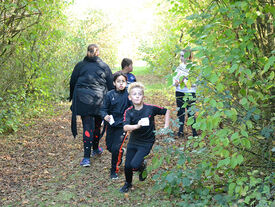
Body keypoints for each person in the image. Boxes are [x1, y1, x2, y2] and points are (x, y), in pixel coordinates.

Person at [119, 82, 170, 193]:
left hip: (147, 141)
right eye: (134, 94)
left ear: (143, 96)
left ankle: (141, 167)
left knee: (134, 164)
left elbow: (166, 111)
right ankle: (128, 183)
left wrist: (166, 126)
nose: (137, 96)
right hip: (134, 140)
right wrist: (137, 126)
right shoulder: (129, 112)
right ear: (130, 97)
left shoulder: (150, 109)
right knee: (127, 165)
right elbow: (125, 127)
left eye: (139, 94)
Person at [69, 44, 114, 167]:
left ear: (87, 52)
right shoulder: (104, 66)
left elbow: (72, 82)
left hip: (83, 100)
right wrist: (112, 101)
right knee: (97, 125)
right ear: (98, 53)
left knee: (87, 126)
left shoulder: (80, 65)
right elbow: (111, 85)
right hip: (99, 99)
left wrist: (71, 96)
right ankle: (95, 149)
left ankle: (86, 158)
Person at [100, 71, 132, 179]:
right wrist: (105, 116)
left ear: (126, 83)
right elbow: (103, 109)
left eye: (123, 81)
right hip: (111, 125)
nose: (121, 83)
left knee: (115, 148)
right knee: (109, 147)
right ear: (114, 83)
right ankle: (121, 151)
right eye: (118, 81)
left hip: (122, 126)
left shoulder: (129, 96)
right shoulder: (109, 95)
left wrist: (131, 122)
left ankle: (114, 171)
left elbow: (133, 110)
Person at [173, 49, 198, 138]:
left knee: (191, 112)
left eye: (183, 56)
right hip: (180, 92)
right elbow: (174, 80)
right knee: (180, 112)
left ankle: (194, 132)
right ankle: (180, 131)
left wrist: (185, 81)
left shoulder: (194, 67)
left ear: (189, 56)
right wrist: (176, 82)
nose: (181, 58)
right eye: (181, 56)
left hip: (190, 93)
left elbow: (196, 82)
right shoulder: (179, 67)